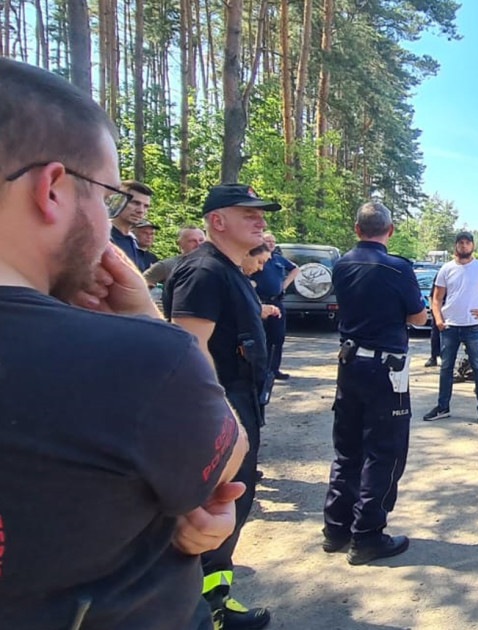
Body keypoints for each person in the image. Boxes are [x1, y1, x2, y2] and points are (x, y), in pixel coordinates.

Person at [0, 57, 246, 630]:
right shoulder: (145, 357)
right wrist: (148, 322)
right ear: (53, 189)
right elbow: (225, 457)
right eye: (108, 197)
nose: (114, 222)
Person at [165, 183, 281, 630]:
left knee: (231, 511)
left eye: (261, 212)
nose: (260, 220)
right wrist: (223, 419)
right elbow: (189, 352)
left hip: (239, 404)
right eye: (248, 213)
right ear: (217, 221)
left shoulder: (231, 269)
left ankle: (214, 603)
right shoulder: (204, 272)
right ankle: (192, 614)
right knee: (208, 515)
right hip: (220, 410)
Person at [323, 202, 428, 565]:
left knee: (347, 449)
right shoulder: (398, 267)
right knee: (384, 451)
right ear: (391, 230)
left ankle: (336, 528)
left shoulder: (341, 264)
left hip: (349, 363)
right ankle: (367, 535)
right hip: (385, 368)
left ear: (356, 229)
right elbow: (417, 316)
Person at [423, 231, 478, 424]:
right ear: (456, 246)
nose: (464, 246)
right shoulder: (446, 269)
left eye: (468, 243)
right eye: (461, 243)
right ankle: (443, 407)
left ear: (473, 246)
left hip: (473, 327)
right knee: (446, 368)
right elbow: (436, 298)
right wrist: (438, 319)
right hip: (450, 326)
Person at [250, 231, 299, 381]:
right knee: (259, 337)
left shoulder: (278, 259)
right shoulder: (254, 258)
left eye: (273, 241)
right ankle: (259, 370)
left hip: (276, 301)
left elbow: (295, 269)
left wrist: (284, 285)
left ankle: (274, 369)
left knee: (277, 338)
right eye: (268, 241)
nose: (271, 244)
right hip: (259, 302)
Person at [109, 179, 152, 269]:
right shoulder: (101, 235)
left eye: (146, 206)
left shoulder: (133, 241)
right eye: (135, 203)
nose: (141, 210)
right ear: (119, 201)